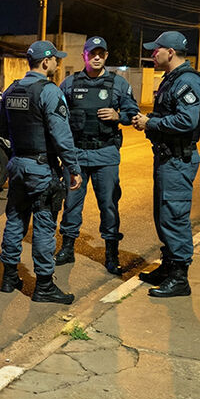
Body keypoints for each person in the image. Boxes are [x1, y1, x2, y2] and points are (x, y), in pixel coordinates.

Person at [0, 40, 83, 304]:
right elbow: (61, 135)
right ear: (46, 62)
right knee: (44, 225)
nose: (57, 63)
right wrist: (73, 168)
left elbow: (0, 130)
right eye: (56, 59)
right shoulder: (49, 91)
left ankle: (9, 277)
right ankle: (44, 286)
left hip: (17, 166)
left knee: (15, 220)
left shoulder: (11, 90)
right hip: (41, 169)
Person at [55, 37, 140, 275]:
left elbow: (133, 114)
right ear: (84, 55)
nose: (97, 57)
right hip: (77, 155)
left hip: (106, 155)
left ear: (106, 55)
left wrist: (118, 116)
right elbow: (58, 118)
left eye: (101, 53)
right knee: (71, 204)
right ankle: (67, 248)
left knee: (109, 206)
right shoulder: (69, 84)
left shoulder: (119, 84)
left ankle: (111, 253)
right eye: (93, 53)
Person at [132, 31, 200, 298]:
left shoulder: (187, 82)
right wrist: (149, 119)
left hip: (178, 160)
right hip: (167, 158)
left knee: (174, 216)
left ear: (170, 53)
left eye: (157, 50)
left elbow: (187, 121)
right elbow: (170, 115)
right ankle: (168, 266)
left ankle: (179, 278)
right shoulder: (172, 79)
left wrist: (150, 123)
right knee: (164, 215)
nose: (153, 54)